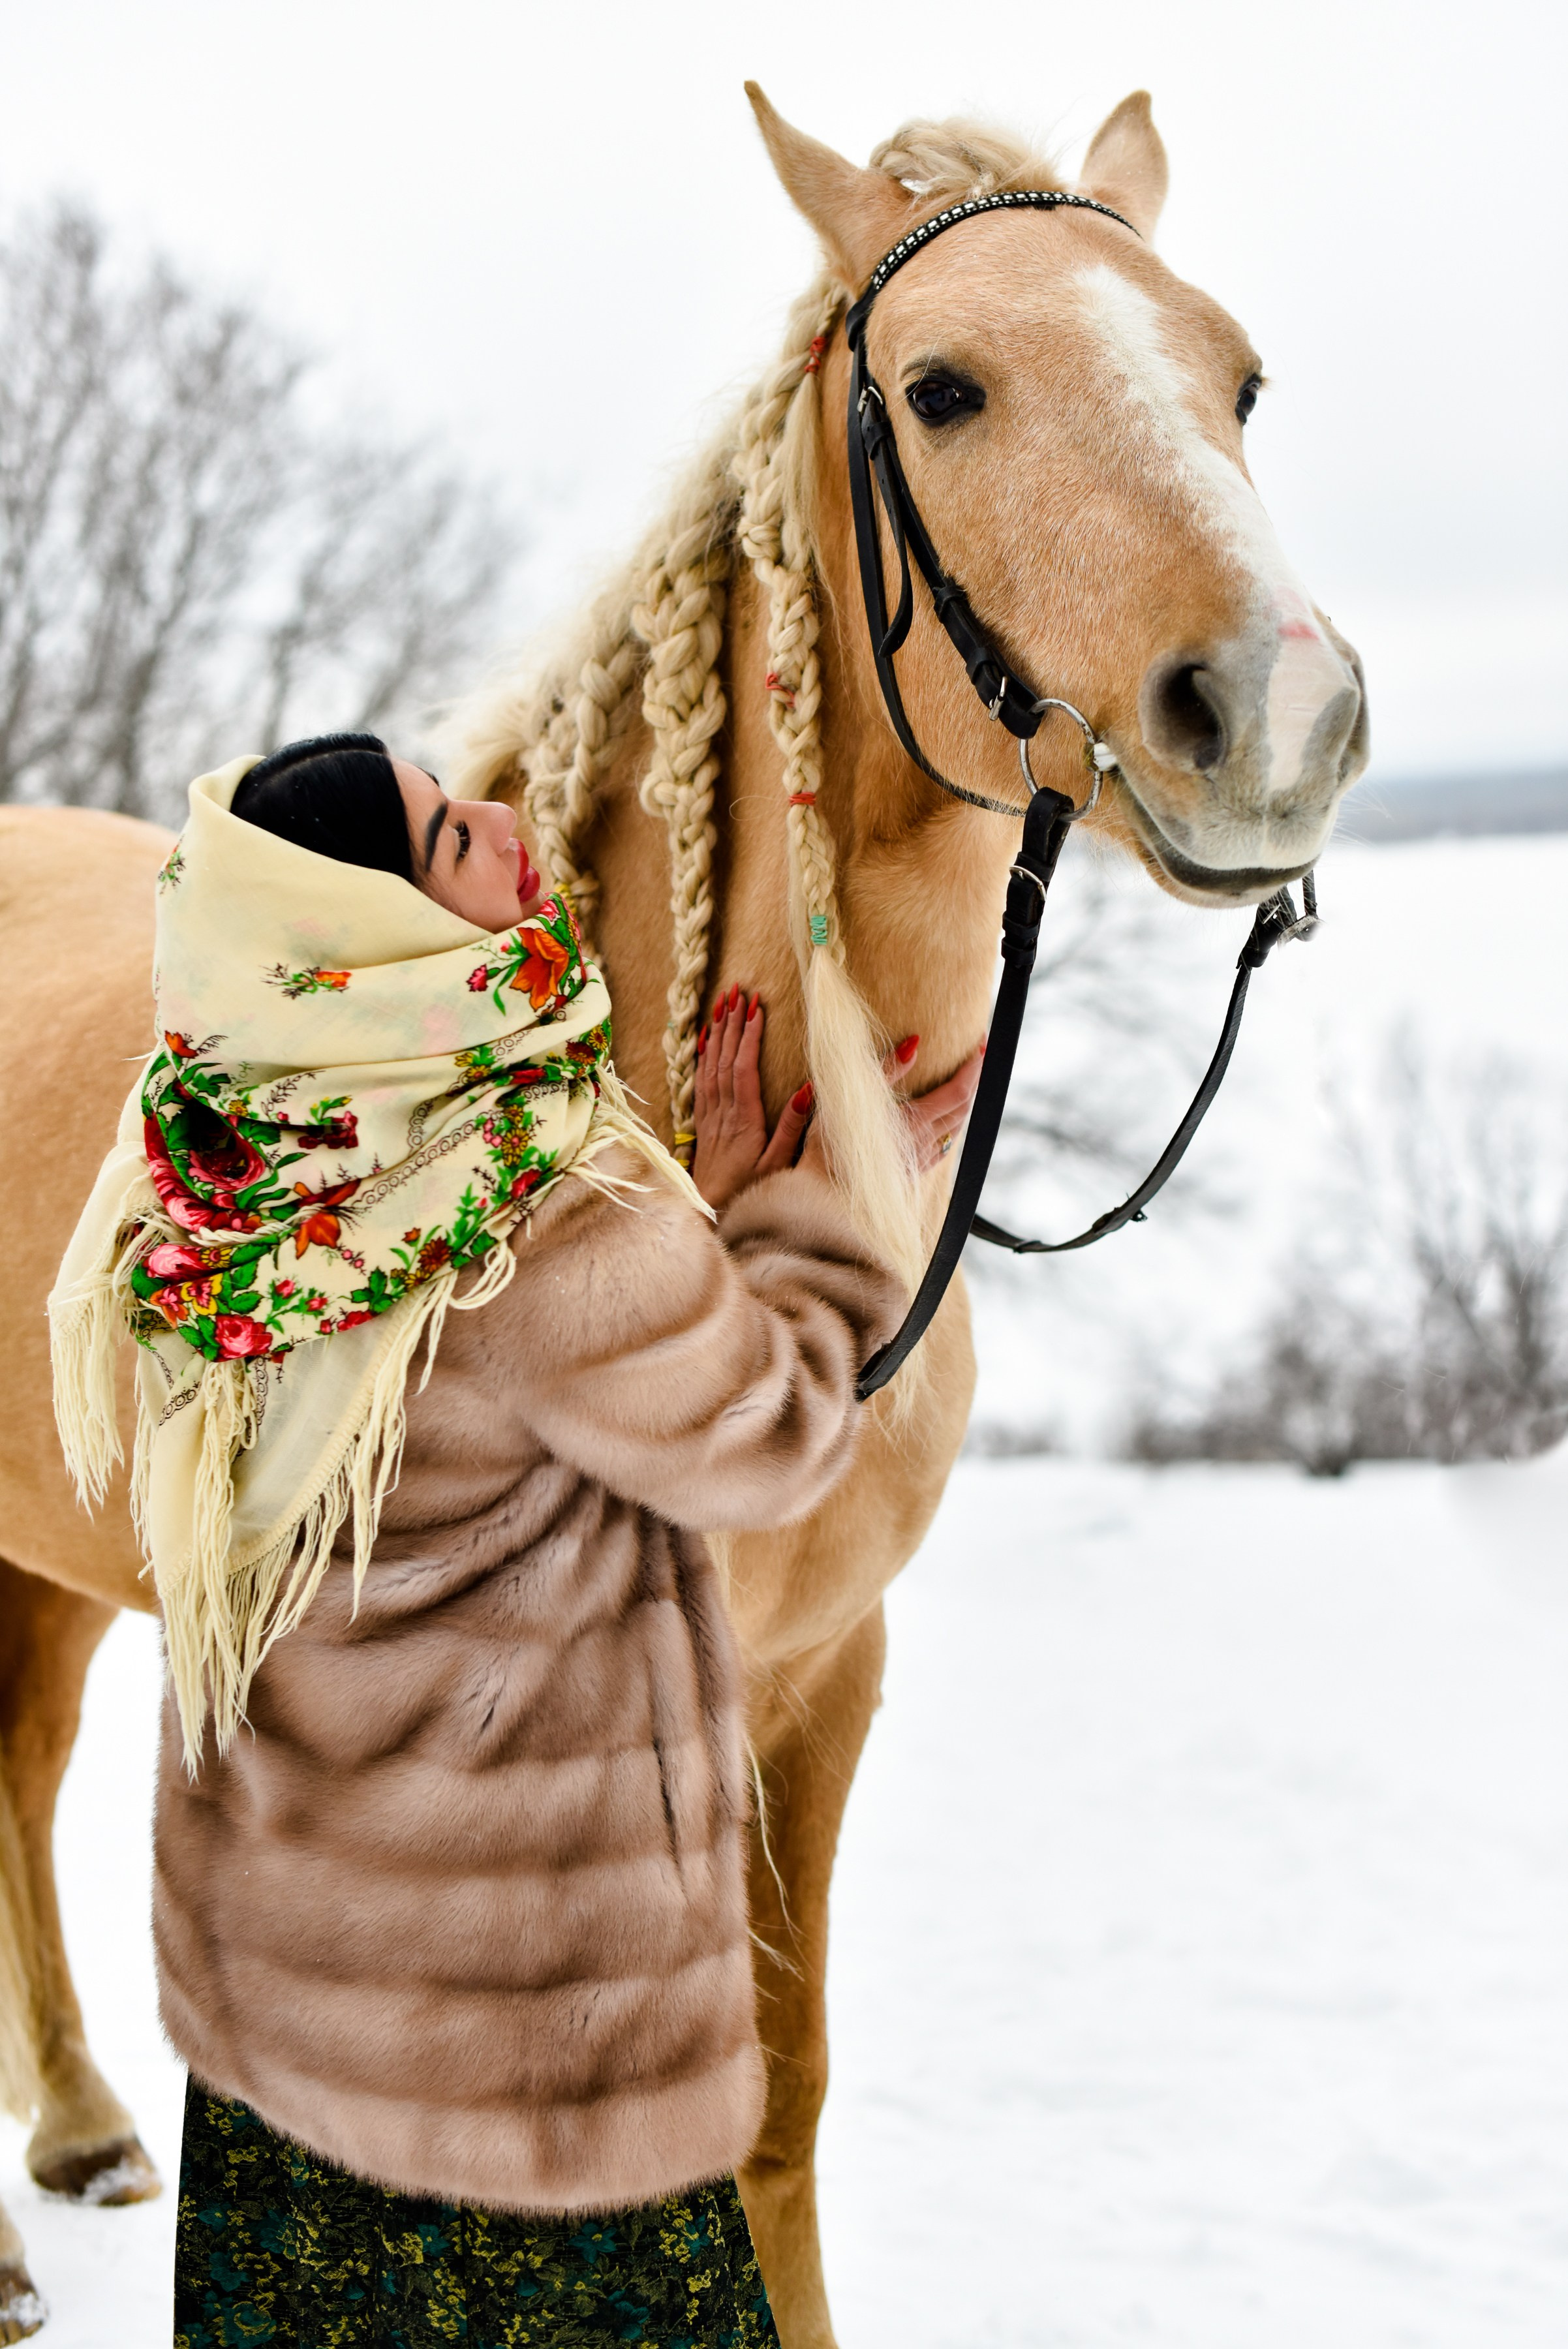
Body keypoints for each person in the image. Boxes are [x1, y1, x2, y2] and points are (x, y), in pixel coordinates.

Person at [49, 733, 978, 2348]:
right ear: (384, 925)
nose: (498, 820)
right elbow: (768, 1434)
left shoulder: (211, 1160)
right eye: (443, 838)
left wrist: (685, 1237)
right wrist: (823, 1219)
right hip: (525, 2039)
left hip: (295, 2016)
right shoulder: (532, 1197)